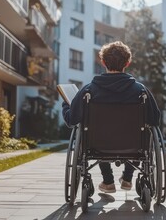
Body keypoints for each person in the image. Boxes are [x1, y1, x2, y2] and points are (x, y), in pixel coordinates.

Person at [62, 41, 160, 193]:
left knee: (98, 133)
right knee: (143, 133)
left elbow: (72, 120)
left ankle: (108, 181)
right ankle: (127, 178)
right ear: (127, 63)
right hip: (134, 146)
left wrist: (66, 105)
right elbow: (154, 120)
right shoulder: (141, 91)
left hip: (97, 146)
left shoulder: (89, 90)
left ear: (102, 62)